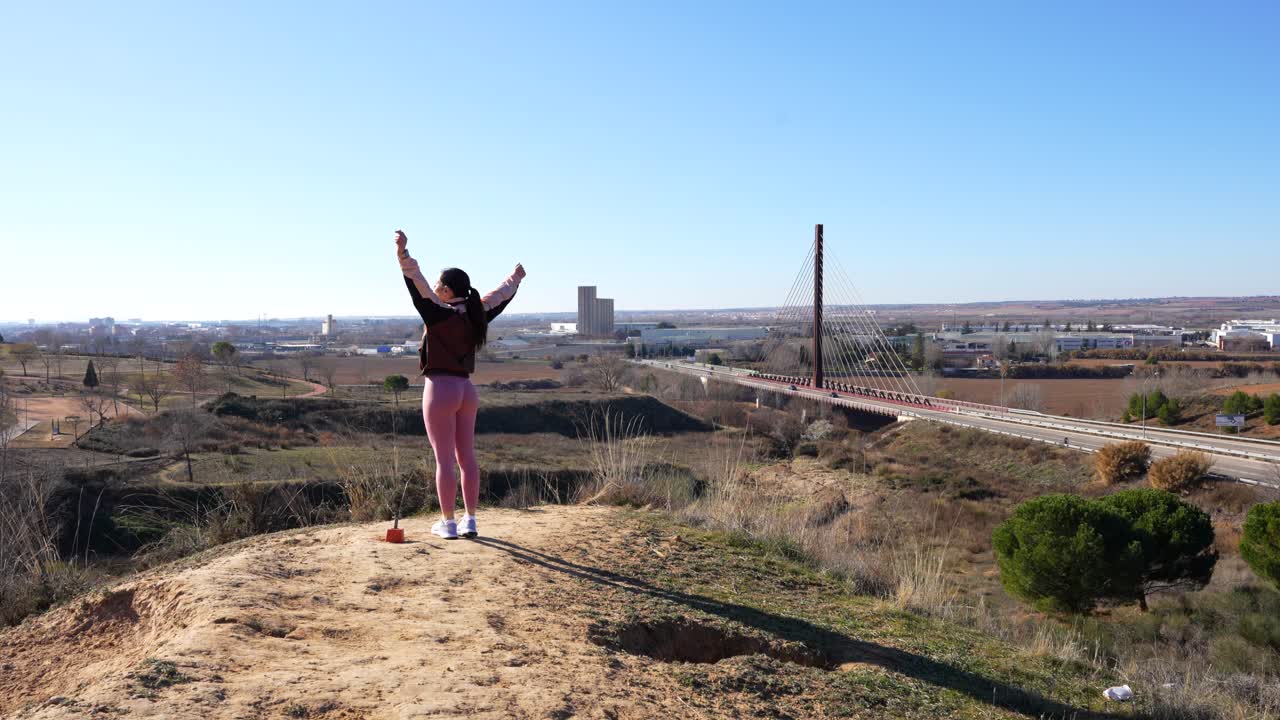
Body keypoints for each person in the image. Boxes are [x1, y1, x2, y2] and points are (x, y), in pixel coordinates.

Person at [394, 230, 526, 540]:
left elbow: (417, 284)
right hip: (467, 391)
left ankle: (448, 523)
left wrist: (402, 254)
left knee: (443, 460)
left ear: (447, 290)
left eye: (440, 285)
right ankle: (470, 520)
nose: (435, 288)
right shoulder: (477, 313)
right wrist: (516, 278)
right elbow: (500, 296)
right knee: (467, 457)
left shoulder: (437, 313)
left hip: (440, 389)